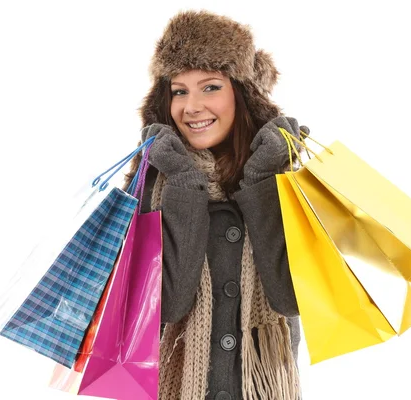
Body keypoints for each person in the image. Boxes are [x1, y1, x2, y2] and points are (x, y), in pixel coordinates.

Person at [122, 10, 309, 400]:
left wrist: (261, 181)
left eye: (209, 87)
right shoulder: (156, 178)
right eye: (179, 90)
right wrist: (185, 183)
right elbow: (166, 306)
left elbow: (292, 297)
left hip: (262, 388)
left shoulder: (284, 177)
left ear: (242, 94)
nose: (191, 106)